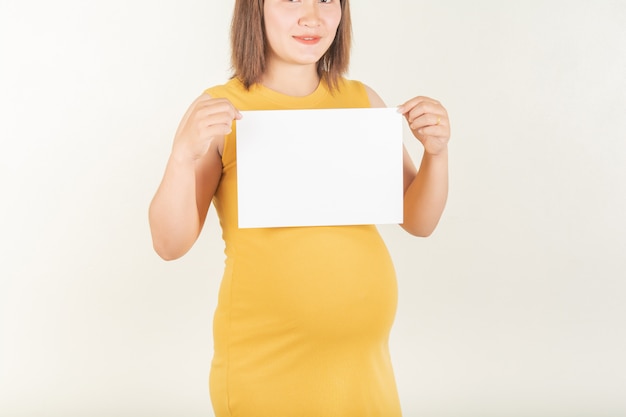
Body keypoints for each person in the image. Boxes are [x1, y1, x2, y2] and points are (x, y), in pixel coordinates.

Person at [149, 0, 450, 415]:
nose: (313, 15)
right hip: (267, 366)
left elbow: (419, 221)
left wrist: (436, 153)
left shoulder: (362, 101)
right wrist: (181, 156)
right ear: (254, 9)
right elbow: (170, 243)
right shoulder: (223, 110)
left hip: (365, 370)